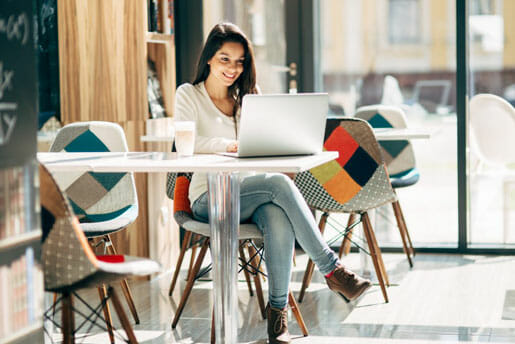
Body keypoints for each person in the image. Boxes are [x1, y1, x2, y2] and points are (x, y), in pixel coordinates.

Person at [174, 22, 371, 344]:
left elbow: (266, 146)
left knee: (277, 215)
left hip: (252, 194)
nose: (232, 68)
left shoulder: (248, 99)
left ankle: (278, 318)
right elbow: (186, 141)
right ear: (209, 58)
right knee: (278, 185)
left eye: (239, 61)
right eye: (225, 59)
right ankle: (334, 271)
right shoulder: (189, 94)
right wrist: (228, 145)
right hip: (207, 198)